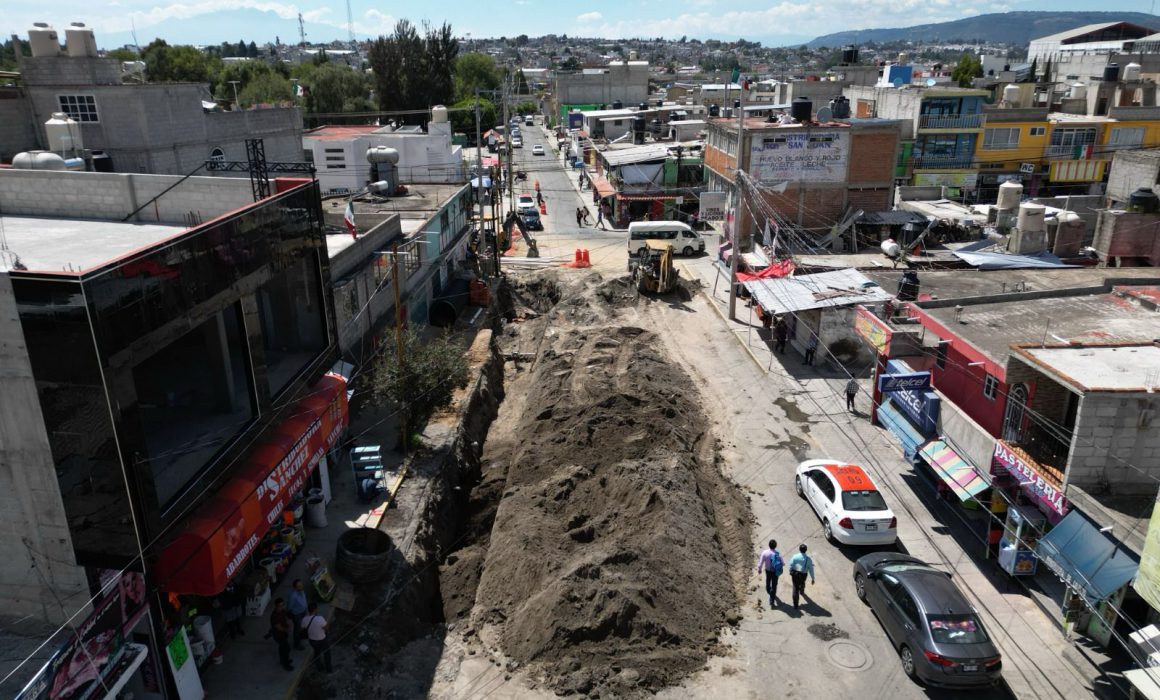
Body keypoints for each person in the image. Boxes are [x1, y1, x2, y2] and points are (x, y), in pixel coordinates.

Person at [302, 602, 333, 673]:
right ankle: (329, 670)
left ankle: (320, 668)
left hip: (312, 640)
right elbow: (327, 628)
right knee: (327, 654)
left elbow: (303, 628)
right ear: (315, 610)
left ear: (308, 610)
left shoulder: (304, 619)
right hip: (322, 640)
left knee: (317, 653)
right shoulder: (320, 619)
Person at [756, 539, 784, 608]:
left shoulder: (765, 553)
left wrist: (759, 569)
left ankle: (768, 589)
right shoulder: (778, 554)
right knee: (774, 585)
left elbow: (760, 563)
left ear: (769, 545)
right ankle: (772, 600)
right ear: (775, 546)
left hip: (768, 570)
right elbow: (783, 563)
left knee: (768, 580)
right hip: (775, 572)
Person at [788, 544, 815, 610]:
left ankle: (795, 605)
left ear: (799, 549)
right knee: (802, 582)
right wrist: (813, 578)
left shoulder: (795, 556)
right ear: (806, 550)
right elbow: (811, 570)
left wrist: (791, 571)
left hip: (795, 574)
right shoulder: (808, 559)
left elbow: (790, 565)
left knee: (795, 588)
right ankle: (802, 591)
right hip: (803, 575)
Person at [269, 598, 294, 671]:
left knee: (282, 648)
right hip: (279, 635)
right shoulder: (274, 616)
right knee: (286, 649)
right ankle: (286, 664)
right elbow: (279, 628)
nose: (282, 607)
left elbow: (286, 616)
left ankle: (282, 660)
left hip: (283, 634)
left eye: (283, 605)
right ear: (276, 606)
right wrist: (288, 629)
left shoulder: (282, 611)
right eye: (280, 606)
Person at [287, 579, 309, 650]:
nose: (301, 587)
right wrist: (290, 616)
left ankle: (300, 637)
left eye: (301, 585)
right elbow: (289, 607)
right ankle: (297, 644)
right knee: (297, 629)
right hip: (297, 614)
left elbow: (304, 600)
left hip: (303, 612)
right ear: (295, 588)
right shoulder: (293, 596)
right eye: (299, 586)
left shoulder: (301, 591)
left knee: (302, 627)